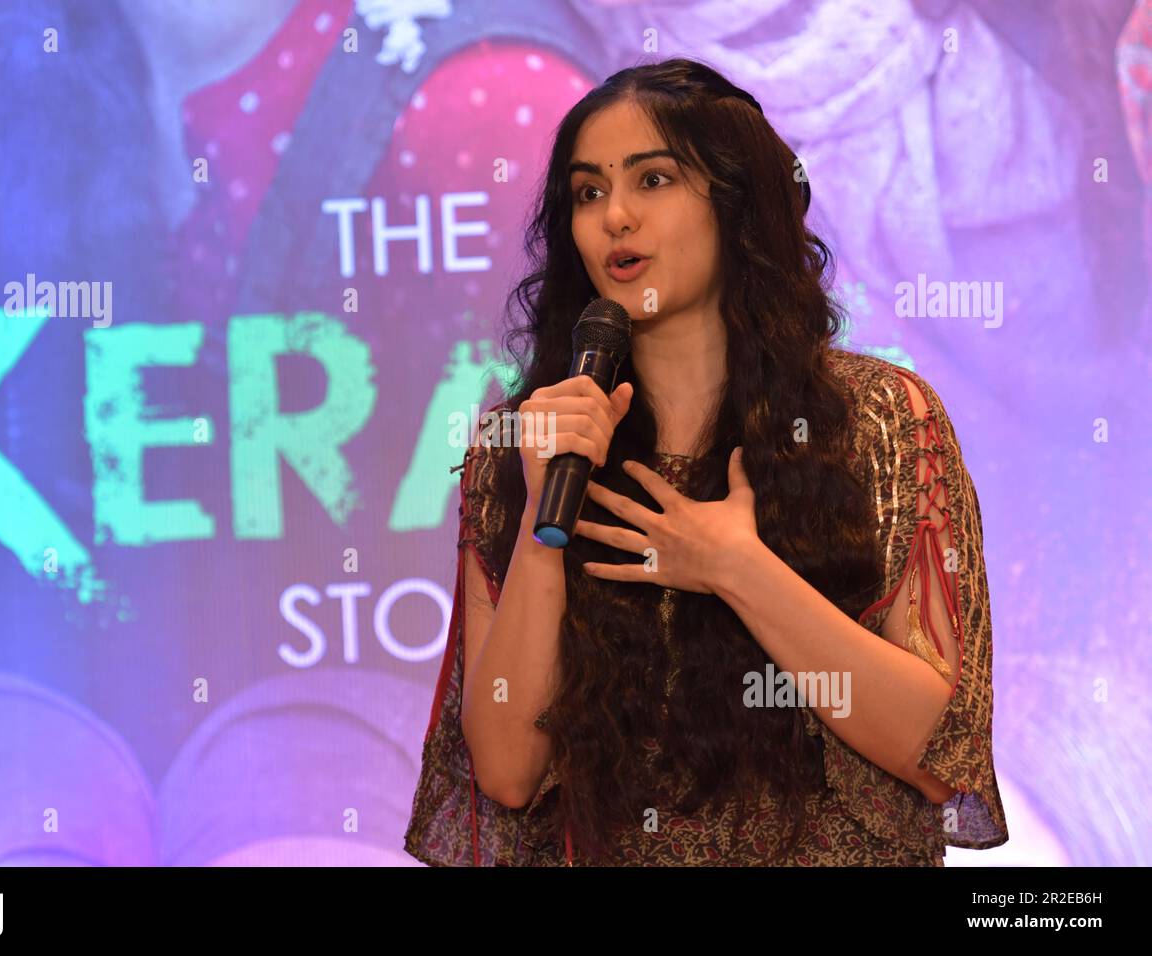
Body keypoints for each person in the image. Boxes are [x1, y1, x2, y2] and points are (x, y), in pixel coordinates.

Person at [403, 57, 1008, 866]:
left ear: (736, 202)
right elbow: (508, 773)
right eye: (588, 192)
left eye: (652, 180)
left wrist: (737, 569)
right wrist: (547, 517)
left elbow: (941, 755)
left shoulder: (880, 420)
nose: (615, 216)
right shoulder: (528, 446)